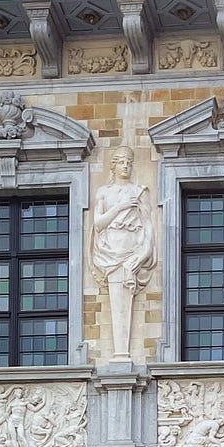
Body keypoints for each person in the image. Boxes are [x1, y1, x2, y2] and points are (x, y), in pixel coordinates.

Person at [91, 147, 156, 362]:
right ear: (113, 165)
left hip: (132, 251)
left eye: (129, 162)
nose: (126, 166)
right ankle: (120, 354)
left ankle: (123, 354)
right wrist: (120, 206)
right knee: (116, 301)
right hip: (110, 252)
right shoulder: (104, 192)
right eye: (121, 162)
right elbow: (98, 223)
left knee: (124, 299)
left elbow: (148, 229)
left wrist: (143, 253)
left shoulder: (139, 192)